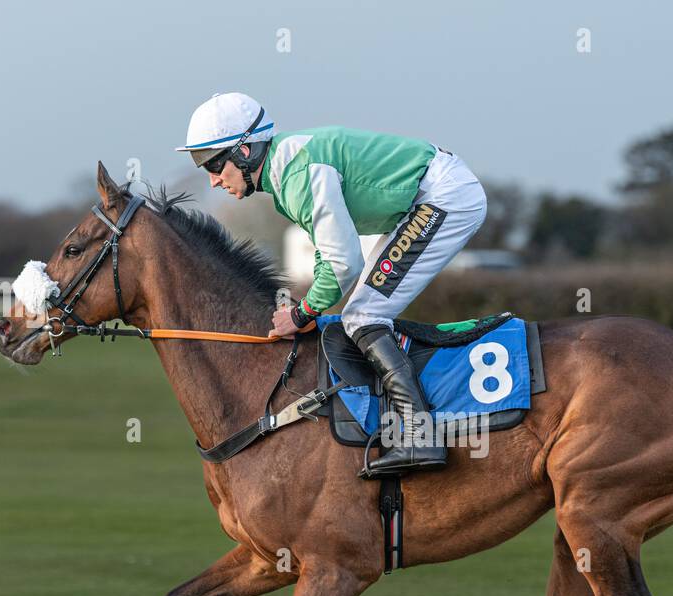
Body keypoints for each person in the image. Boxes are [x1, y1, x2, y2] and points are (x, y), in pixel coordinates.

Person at [176, 92, 487, 476]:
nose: (213, 179)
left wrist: (303, 312)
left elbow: (343, 263)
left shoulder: (297, 173)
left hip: (443, 197)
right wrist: (307, 309)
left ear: (245, 151)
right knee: (361, 312)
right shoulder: (286, 172)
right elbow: (330, 250)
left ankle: (420, 437)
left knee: (363, 314)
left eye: (215, 164)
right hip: (424, 198)